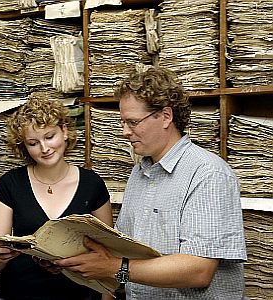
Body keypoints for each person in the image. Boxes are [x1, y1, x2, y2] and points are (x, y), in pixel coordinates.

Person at [55, 66, 247, 299]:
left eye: (133, 122)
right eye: (123, 122)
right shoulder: (140, 172)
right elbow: (122, 251)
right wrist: (67, 260)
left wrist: (114, 267)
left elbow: (199, 270)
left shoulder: (208, 173)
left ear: (166, 116)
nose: (125, 132)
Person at [0, 98, 113, 300]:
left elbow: (108, 255)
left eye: (50, 137)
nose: (44, 148)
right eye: (33, 143)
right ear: (24, 147)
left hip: (80, 294)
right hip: (20, 292)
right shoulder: (10, 183)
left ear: (65, 131)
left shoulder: (92, 184)